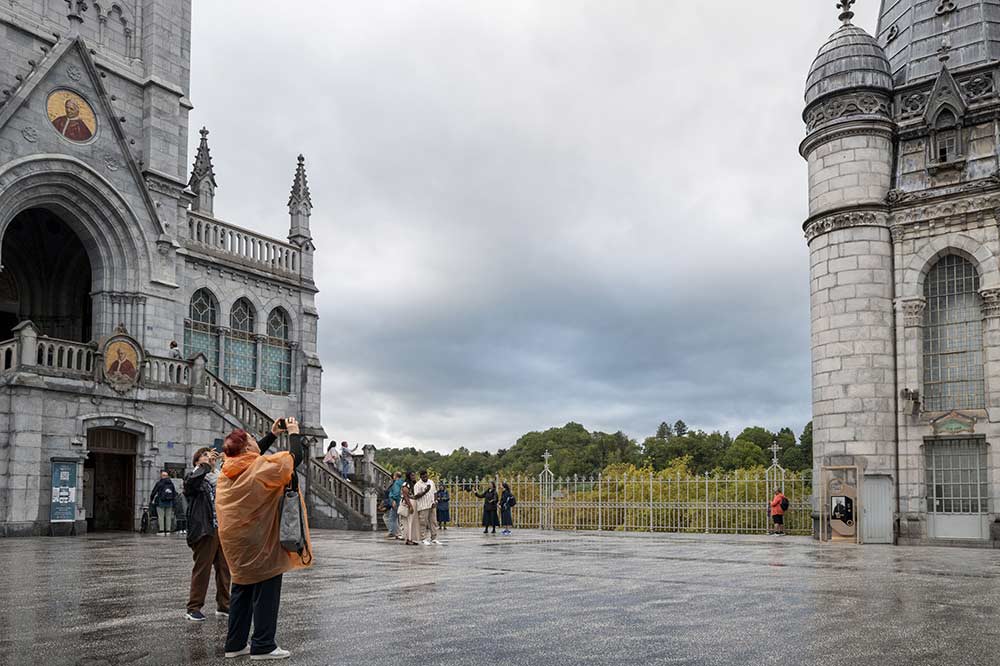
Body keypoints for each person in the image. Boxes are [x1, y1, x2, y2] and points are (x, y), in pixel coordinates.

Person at [216, 417, 313, 660]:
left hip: (236, 543)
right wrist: (293, 433)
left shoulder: (227, 469)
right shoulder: (259, 468)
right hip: (259, 540)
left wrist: (271, 435)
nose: (253, 440)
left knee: (241, 587)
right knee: (267, 586)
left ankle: (235, 644)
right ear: (247, 447)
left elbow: (250, 456)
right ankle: (263, 644)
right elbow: (293, 459)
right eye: (250, 439)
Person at [183, 446, 231, 622]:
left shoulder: (217, 478)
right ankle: (193, 607)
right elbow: (191, 485)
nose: (209, 457)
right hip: (204, 530)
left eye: (209, 455)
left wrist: (226, 461)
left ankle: (224, 605)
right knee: (202, 569)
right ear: (196, 461)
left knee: (225, 569)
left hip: (221, 528)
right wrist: (205, 465)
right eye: (203, 455)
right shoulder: (192, 477)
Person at [413, 470, 440, 545]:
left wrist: (435, 501)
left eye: (426, 476)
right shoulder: (417, 485)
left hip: (432, 505)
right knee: (423, 523)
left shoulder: (431, 482)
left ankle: (434, 538)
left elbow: (435, 492)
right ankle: (423, 538)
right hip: (423, 506)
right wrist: (425, 491)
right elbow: (416, 496)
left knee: (433, 522)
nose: (425, 478)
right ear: (420, 477)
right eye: (423, 477)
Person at [150, 470, 177, 535]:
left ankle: (161, 531)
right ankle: (168, 531)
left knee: (161, 516)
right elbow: (174, 493)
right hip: (169, 502)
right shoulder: (171, 483)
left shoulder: (159, 483)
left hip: (161, 501)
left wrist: (151, 499)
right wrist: (173, 501)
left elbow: (154, 492)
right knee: (168, 516)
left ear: (161, 476)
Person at [399, 471, 419, 546]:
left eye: (414, 475)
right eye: (412, 475)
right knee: (408, 522)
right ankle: (409, 539)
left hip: (413, 502)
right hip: (408, 503)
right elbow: (405, 495)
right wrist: (410, 506)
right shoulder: (406, 484)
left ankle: (411, 538)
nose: (414, 476)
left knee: (412, 522)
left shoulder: (413, 483)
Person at [386, 471, 403, 539]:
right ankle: (398, 533)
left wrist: (393, 499)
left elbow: (396, 492)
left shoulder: (396, 483)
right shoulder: (402, 482)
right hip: (401, 502)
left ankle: (392, 532)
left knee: (392, 518)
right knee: (397, 518)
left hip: (396, 502)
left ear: (395, 476)